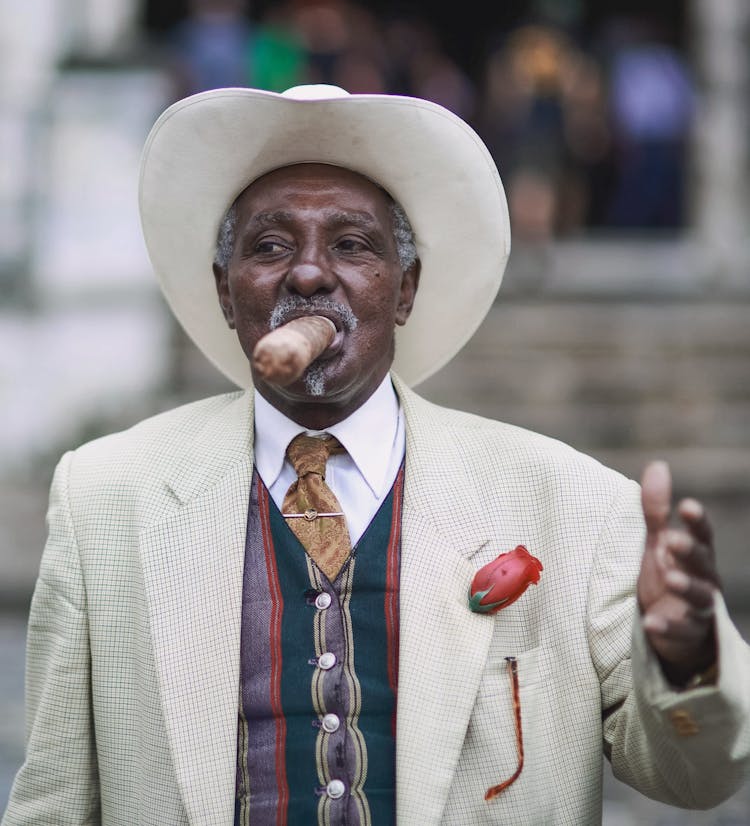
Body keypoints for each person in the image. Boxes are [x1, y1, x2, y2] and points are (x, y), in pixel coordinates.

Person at [3, 85, 749, 826]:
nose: (307, 274)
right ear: (227, 296)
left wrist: (686, 660)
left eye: (352, 245)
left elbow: (697, 779)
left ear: (405, 290)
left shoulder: (574, 503)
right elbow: (55, 803)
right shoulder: (106, 496)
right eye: (269, 246)